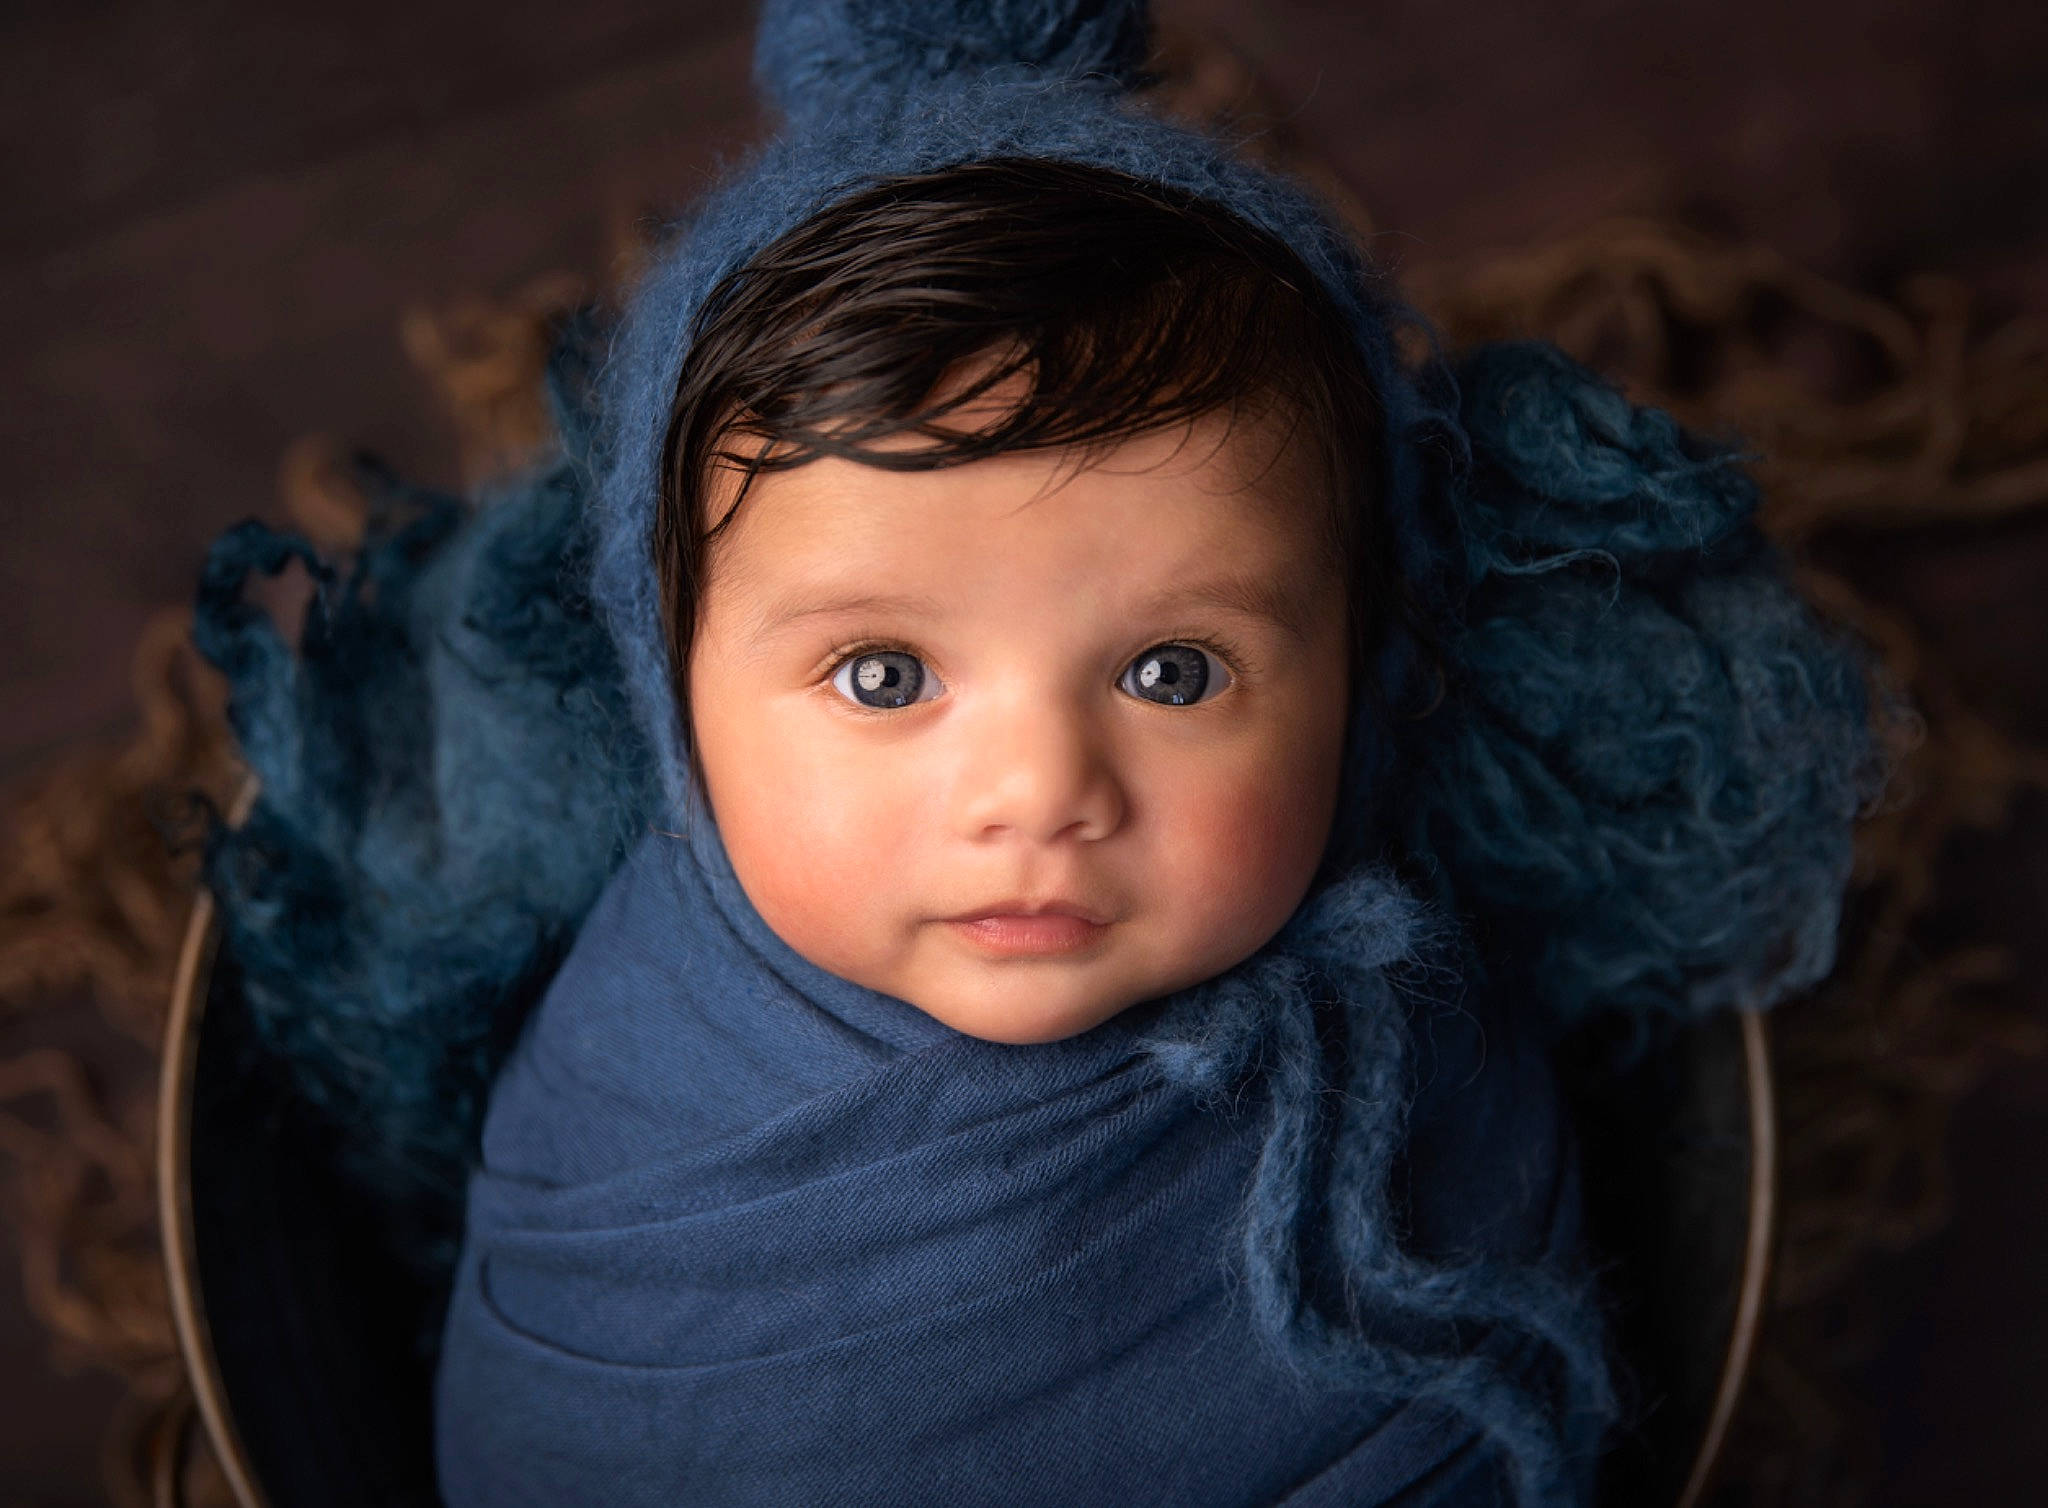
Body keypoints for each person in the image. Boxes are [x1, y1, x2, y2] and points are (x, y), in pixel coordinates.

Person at [193, 2, 1881, 1504]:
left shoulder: (1403, 1062)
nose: (1039, 792)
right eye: (882, 675)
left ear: (1366, 675)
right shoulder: (621, 1072)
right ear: (669, 685)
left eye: (1171, 670)